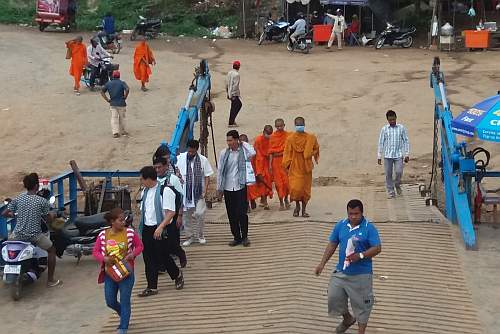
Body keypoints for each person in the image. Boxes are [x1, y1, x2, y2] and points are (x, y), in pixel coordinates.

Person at [314, 200, 382, 334]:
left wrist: (361, 256)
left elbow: (377, 248)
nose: (353, 217)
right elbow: (332, 244)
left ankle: (360, 331)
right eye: (350, 214)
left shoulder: (369, 228)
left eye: (356, 214)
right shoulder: (341, 225)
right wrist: (322, 263)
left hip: (361, 274)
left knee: (362, 305)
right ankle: (348, 319)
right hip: (341, 271)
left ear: (362, 213)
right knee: (333, 297)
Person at [1, 173, 61, 287]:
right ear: (36, 186)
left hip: (17, 234)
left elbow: (4, 213)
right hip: (34, 235)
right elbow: (47, 218)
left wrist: (15, 216)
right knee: (52, 250)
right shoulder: (42, 201)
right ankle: (50, 280)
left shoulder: (18, 199)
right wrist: (52, 215)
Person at [92, 208, 143, 334]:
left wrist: (133, 254)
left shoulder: (130, 233)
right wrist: (104, 258)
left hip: (126, 272)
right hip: (110, 273)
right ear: (112, 222)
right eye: (120, 220)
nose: (123, 222)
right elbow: (95, 251)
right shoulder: (103, 235)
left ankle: (123, 326)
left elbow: (140, 246)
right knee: (110, 301)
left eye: (124, 220)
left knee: (125, 300)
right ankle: (124, 313)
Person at [137, 166, 184, 297]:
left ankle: (176, 274)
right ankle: (151, 286)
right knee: (148, 258)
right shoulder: (144, 192)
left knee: (162, 255)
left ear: (148, 179)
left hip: (160, 227)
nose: (141, 181)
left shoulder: (165, 191)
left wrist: (161, 226)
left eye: (142, 179)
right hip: (147, 228)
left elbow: (171, 212)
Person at [217, 130, 256, 247]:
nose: (229, 143)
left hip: (240, 186)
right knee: (231, 213)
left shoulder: (243, 151)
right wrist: (219, 188)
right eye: (227, 140)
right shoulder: (224, 153)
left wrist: (243, 143)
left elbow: (253, 152)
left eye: (231, 140)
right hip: (228, 187)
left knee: (241, 213)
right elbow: (220, 171)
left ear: (236, 140)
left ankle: (245, 236)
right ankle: (236, 237)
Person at [176, 140, 214, 246]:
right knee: (186, 216)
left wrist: (205, 190)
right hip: (185, 192)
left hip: (198, 192)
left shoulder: (203, 160)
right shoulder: (180, 158)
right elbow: (175, 170)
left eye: (193, 152)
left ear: (196, 150)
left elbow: (207, 176)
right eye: (189, 152)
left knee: (200, 214)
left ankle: (200, 235)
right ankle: (189, 236)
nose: (191, 154)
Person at [152, 155, 187, 268]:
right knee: (160, 242)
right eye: (155, 168)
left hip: (172, 214)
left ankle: (180, 253)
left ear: (166, 167)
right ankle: (162, 264)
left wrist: (180, 216)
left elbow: (181, 198)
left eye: (160, 167)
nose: (157, 170)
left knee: (172, 241)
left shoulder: (173, 179)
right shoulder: (154, 181)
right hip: (158, 214)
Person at [282, 117, 319, 218]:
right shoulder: (290, 139)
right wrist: (287, 165)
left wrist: (311, 153)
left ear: (304, 124)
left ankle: (304, 210)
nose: (300, 126)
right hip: (295, 167)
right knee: (296, 189)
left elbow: (316, 148)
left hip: (306, 168)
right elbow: (287, 153)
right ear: (295, 125)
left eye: (301, 124)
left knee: (305, 190)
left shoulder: (310, 138)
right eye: (298, 125)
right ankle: (297, 206)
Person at [377, 110, 410, 199]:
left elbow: (406, 141)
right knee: (388, 174)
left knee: (399, 172)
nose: (392, 121)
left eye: (393, 119)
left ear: (396, 118)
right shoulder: (384, 129)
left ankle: (397, 184)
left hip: (398, 155)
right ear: (387, 120)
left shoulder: (401, 128)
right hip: (388, 156)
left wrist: (407, 154)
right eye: (390, 120)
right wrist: (379, 155)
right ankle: (391, 192)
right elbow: (381, 142)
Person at [268, 118, 290, 211]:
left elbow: (289, 150)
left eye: (281, 125)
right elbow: (270, 152)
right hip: (275, 163)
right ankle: (281, 202)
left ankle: (286, 199)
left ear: (284, 125)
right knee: (278, 184)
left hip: (285, 162)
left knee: (286, 183)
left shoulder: (288, 136)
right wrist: (269, 165)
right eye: (277, 126)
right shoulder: (272, 137)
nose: (279, 127)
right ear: (275, 126)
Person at [101, 70, 130, 138]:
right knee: (122, 118)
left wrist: (107, 99)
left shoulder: (109, 83)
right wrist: (125, 96)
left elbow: (102, 91)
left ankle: (115, 132)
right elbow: (127, 89)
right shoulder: (122, 83)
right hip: (121, 103)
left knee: (114, 118)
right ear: (119, 76)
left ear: (113, 76)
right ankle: (123, 131)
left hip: (113, 103)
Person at [252, 125, 274, 210]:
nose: (269, 136)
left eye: (270, 134)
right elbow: (254, 152)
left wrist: (270, 164)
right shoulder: (258, 140)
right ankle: (265, 202)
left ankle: (263, 199)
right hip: (259, 162)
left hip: (268, 162)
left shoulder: (272, 139)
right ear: (264, 132)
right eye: (268, 134)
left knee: (268, 180)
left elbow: (272, 151)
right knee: (262, 181)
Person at [226, 61, 242, 127]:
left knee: (233, 107)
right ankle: (231, 122)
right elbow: (235, 85)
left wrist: (228, 93)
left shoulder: (229, 73)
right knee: (238, 105)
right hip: (234, 94)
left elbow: (227, 83)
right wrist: (233, 95)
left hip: (230, 92)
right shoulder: (237, 75)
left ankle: (232, 120)